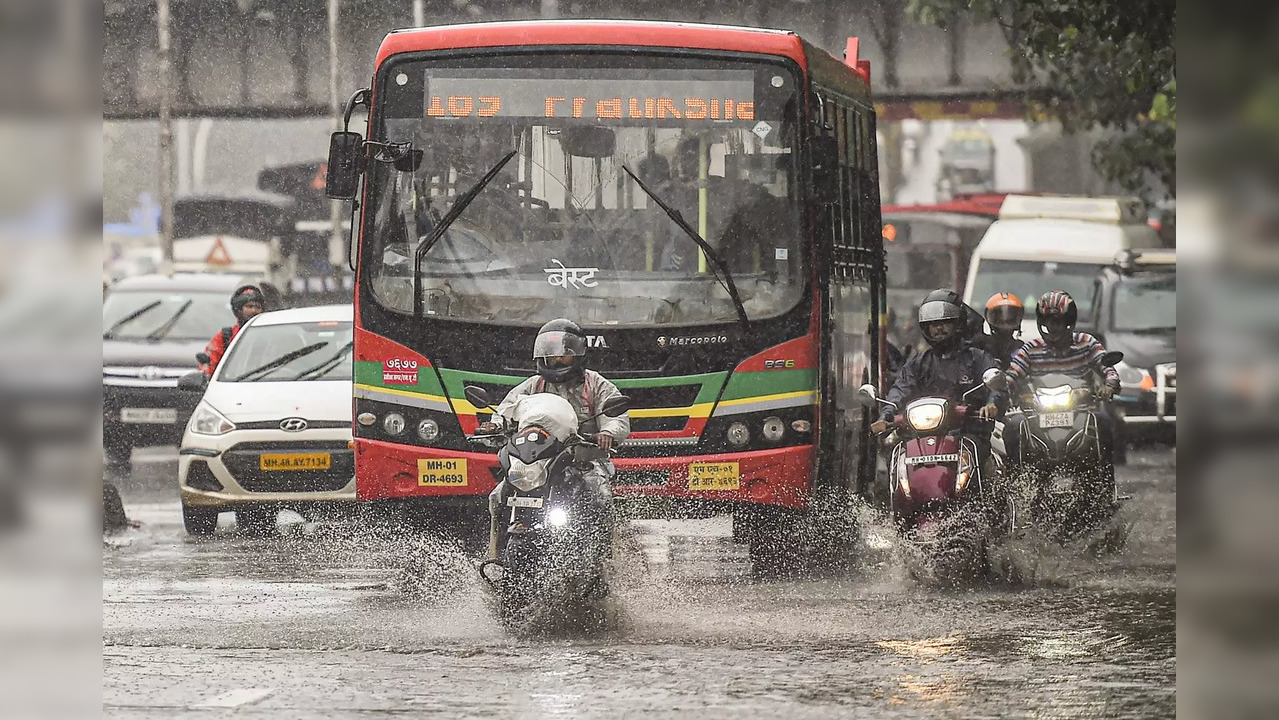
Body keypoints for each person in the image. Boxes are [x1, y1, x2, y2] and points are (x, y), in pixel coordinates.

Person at [478, 318, 631, 559]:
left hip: (584, 461)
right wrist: (493, 426)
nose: (557, 359)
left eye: (564, 354)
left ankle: (602, 561)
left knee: (601, 497)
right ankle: (494, 556)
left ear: (578, 355)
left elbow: (617, 417)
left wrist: (608, 433)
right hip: (539, 463)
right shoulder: (533, 385)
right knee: (498, 496)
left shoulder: (597, 385)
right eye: (550, 354)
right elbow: (506, 410)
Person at [871, 294, 1007, 465]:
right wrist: (886, 414)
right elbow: (900, 389)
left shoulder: (977, 358)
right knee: (897, 455)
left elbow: (996, 383)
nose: (939, 328)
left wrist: (992, 404)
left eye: (945, 323)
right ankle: (897, 490)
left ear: (957, 324)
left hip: (968, 432)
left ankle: (982, 490)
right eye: (934, 324)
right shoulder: (918, 363)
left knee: (975, 452)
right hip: (922, 435)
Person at [1003, 290, 1123, 473]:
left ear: (1069, 322)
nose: (1053, 327)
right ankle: (1014, 484)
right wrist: (1001, 390)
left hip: (1081, 416)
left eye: (1058, 321)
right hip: (1037, 417)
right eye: (1048, 321)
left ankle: (1105, 485)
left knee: (1104, 422)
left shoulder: (1087, 343)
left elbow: (1108, 369)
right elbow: (1011, 375)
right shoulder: (1030, 349)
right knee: (1012, 427)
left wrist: (1109, 385)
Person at [199, 285, 267, 377]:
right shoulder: (225, 336)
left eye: (258, 307)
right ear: (238, 310)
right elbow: (209, 368)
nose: (254, 310)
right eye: (249, 306)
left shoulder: (270, 336)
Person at [978, 291, 1026, 369]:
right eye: (1000, 319)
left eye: (1010, 319)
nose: (1005, 324)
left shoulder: (1020, 349)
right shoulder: (982, 346)